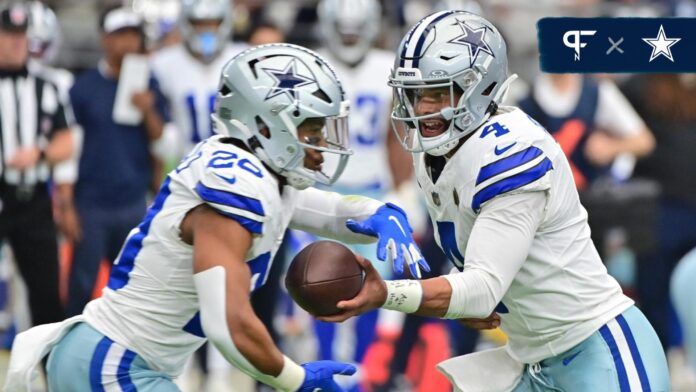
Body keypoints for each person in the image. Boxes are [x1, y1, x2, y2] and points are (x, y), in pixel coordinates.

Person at [4, 43, 427, 392]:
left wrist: (381, 213)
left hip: (121, 360)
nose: (321, 148)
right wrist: (296, 379)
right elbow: (227, 323)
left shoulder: (258, 174)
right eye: (311, 133)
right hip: (113, 363)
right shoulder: (235, 187)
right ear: (265, 126)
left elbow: (324, 209)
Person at [320, 11, 670, 392]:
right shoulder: (437, 150)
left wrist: (387, 294)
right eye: (416, 94)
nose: (422, 109)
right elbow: (485, 273)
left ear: (480, 88)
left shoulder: (511, 153)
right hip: (530, 358)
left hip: (597, 351)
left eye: (439, 92)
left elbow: (482, 288)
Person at [63, 6, 168, 316]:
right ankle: (68, 354)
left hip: (132, 199)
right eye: (120, 35)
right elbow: (69, 148)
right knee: (81, 284)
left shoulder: (149, 82)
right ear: (105, 39)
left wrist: (147, 109)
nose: (128, 43)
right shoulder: (83, 88)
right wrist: (67, 205)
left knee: (133, 285)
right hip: (91, 202)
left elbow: (162, 141)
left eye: (133, 35)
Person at [0, 2, 72, 328]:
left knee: (45, 293)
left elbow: (67, 142)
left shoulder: (47, 86)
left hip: (32, 199)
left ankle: (48, 373)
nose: (16, 42)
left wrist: (39, 154)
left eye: (20, 34)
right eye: (8, 34)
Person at [150, 0, 247, 160]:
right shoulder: (163, 63)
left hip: (233, 164)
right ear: (185, 22)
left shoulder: (242, 59)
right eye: (198, 23)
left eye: (213, 23)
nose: (206, 30)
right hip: (184, 165)